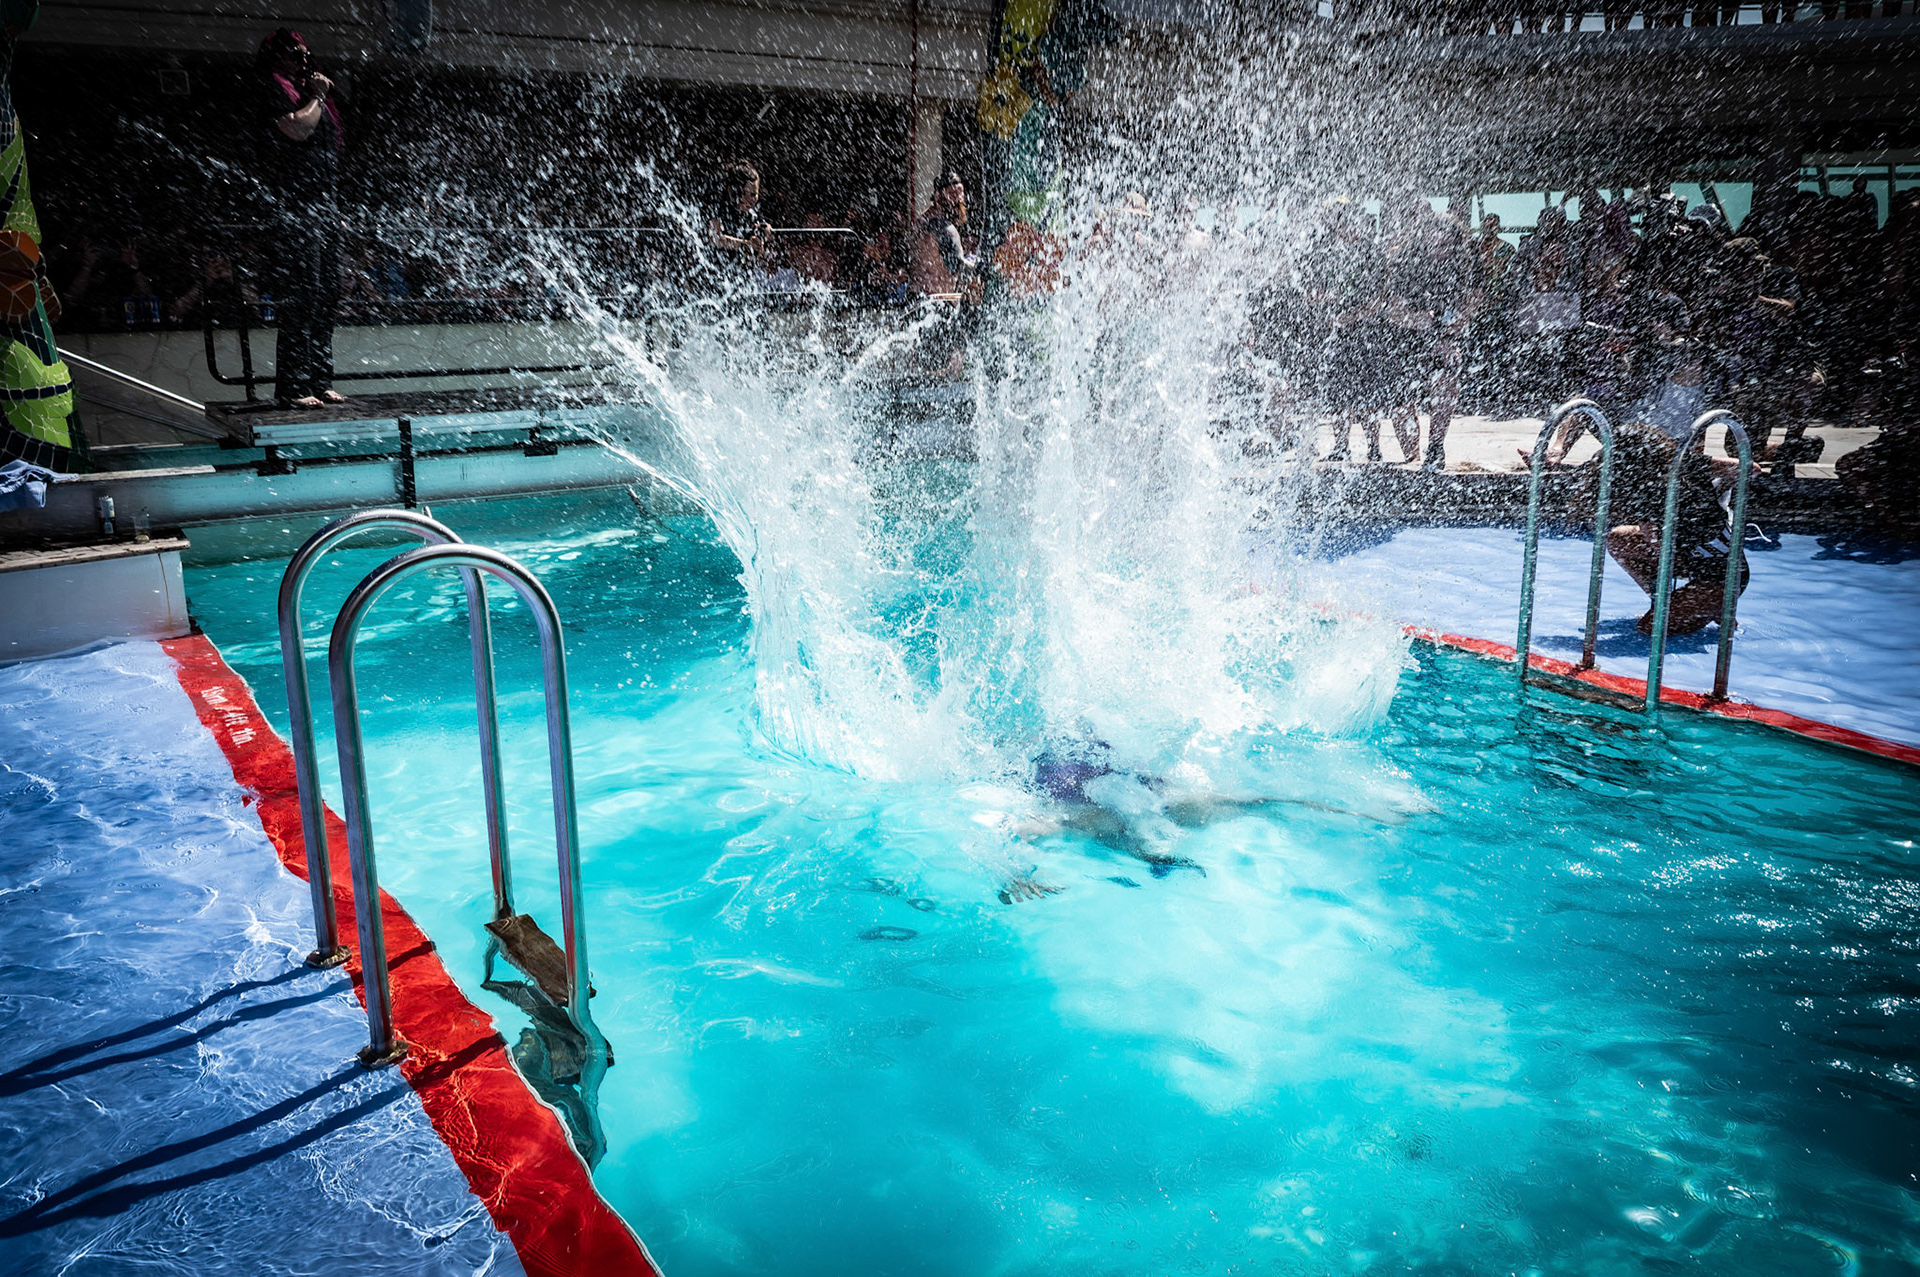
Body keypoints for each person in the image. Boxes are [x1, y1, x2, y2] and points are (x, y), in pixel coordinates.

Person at [255, 29, 344, 409]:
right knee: (303, 295)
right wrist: (318, 95)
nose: (303, 61)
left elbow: (329, 152)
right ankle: (292, 385)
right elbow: (295, 128)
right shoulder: (272, 89)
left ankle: (320, 379)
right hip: (294, 207)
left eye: (306, 55)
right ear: (277, 57)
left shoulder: (311, 94)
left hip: (324, 205)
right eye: (294, 54)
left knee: (327, 294)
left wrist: (334, 209)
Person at [911, 170, 979, 298]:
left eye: (960, 192)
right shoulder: (945, 227)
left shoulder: (923, 220)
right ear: (937, 196)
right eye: (953, 194)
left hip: (918, 296)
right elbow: (960, 266)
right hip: (939, 299)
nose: (959, 199)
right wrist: (980, 264)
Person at [706, 160, 772, 272]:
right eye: (744, 193)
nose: (749, 200)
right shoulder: (716, 204)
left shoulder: (753, 215)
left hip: (734, 275)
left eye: (753, 194)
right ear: (732, 191)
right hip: (708, 269)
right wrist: (746, 244)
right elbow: (715, 238)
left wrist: (759, 242)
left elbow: (755, 256)